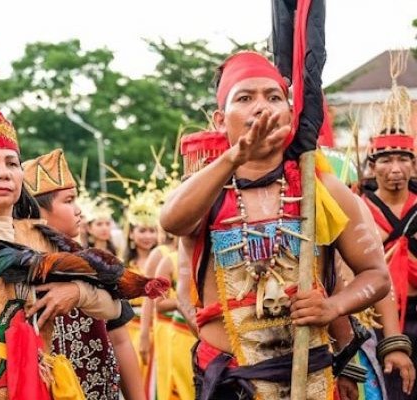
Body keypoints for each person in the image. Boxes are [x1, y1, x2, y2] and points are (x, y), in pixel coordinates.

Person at [160, 51, 390, 399]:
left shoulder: (321, 189)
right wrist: (235, 156)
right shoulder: (205, 191)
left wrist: (332, 307)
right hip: (228, 382)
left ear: (289, 112)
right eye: (245, 98)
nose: (262, 107)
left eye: (273, 97)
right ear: (221, 120)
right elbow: (172, 221)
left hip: (309, 379)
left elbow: (376, 276)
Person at [0, 40, 121, 399]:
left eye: (12, 164)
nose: (4, 173)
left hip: (39, 386)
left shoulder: (43, 237)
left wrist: (75, 292)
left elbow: (114, 306)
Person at [23, 149, 131, 399]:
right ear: (37, 210)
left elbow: (121, 340)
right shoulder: (19, 270)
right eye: (69, 200)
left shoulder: (90, 265)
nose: (79, 209)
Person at [359, 127, 417, 399]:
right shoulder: (358, 209)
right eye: (386, 160)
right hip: (378, 318)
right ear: (372, 166)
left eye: (403, 158)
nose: (396, 168)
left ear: (413, 164)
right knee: (392, 390)